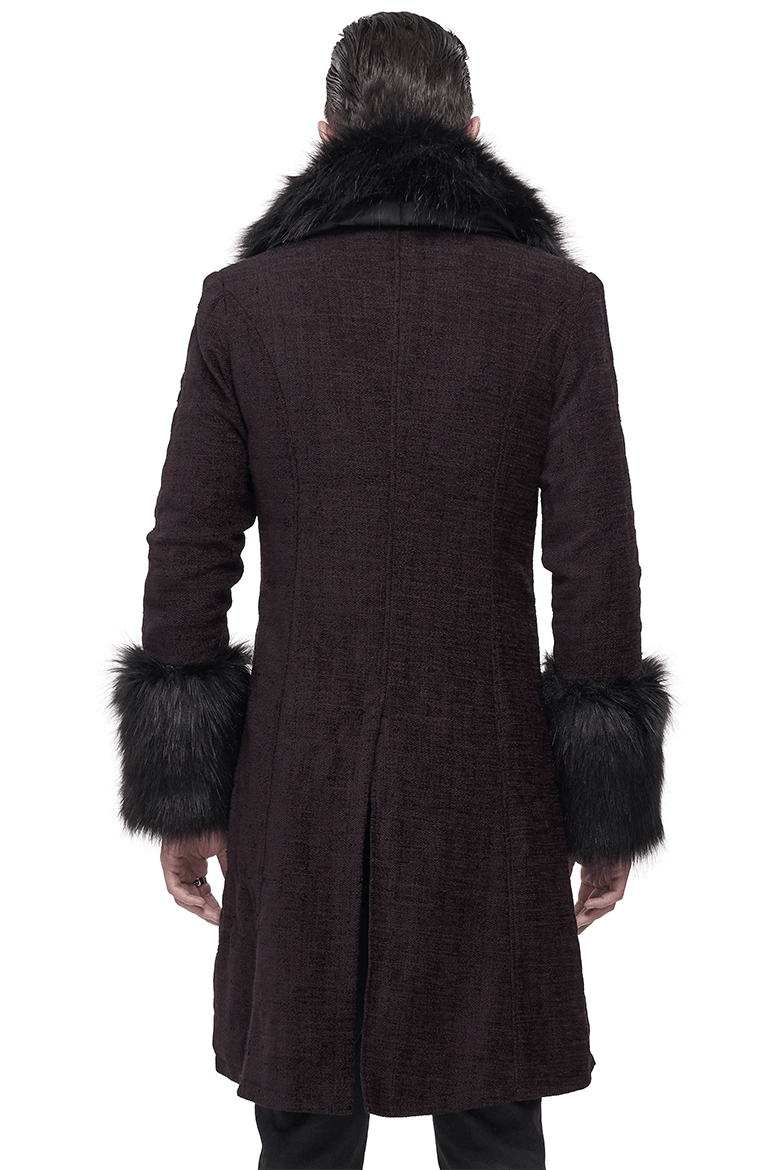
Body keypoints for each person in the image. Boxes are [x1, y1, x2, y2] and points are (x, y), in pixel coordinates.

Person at [107, 11, 674, 1169]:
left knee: (304, 1125)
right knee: (495, 1116)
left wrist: (185, 789)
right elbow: (596, 563)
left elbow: (189, 553)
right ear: (471, 132)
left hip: (296, 774)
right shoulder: (555, 303)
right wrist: (604, 799)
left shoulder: (247, 303)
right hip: (491, 776)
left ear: (325, 136)